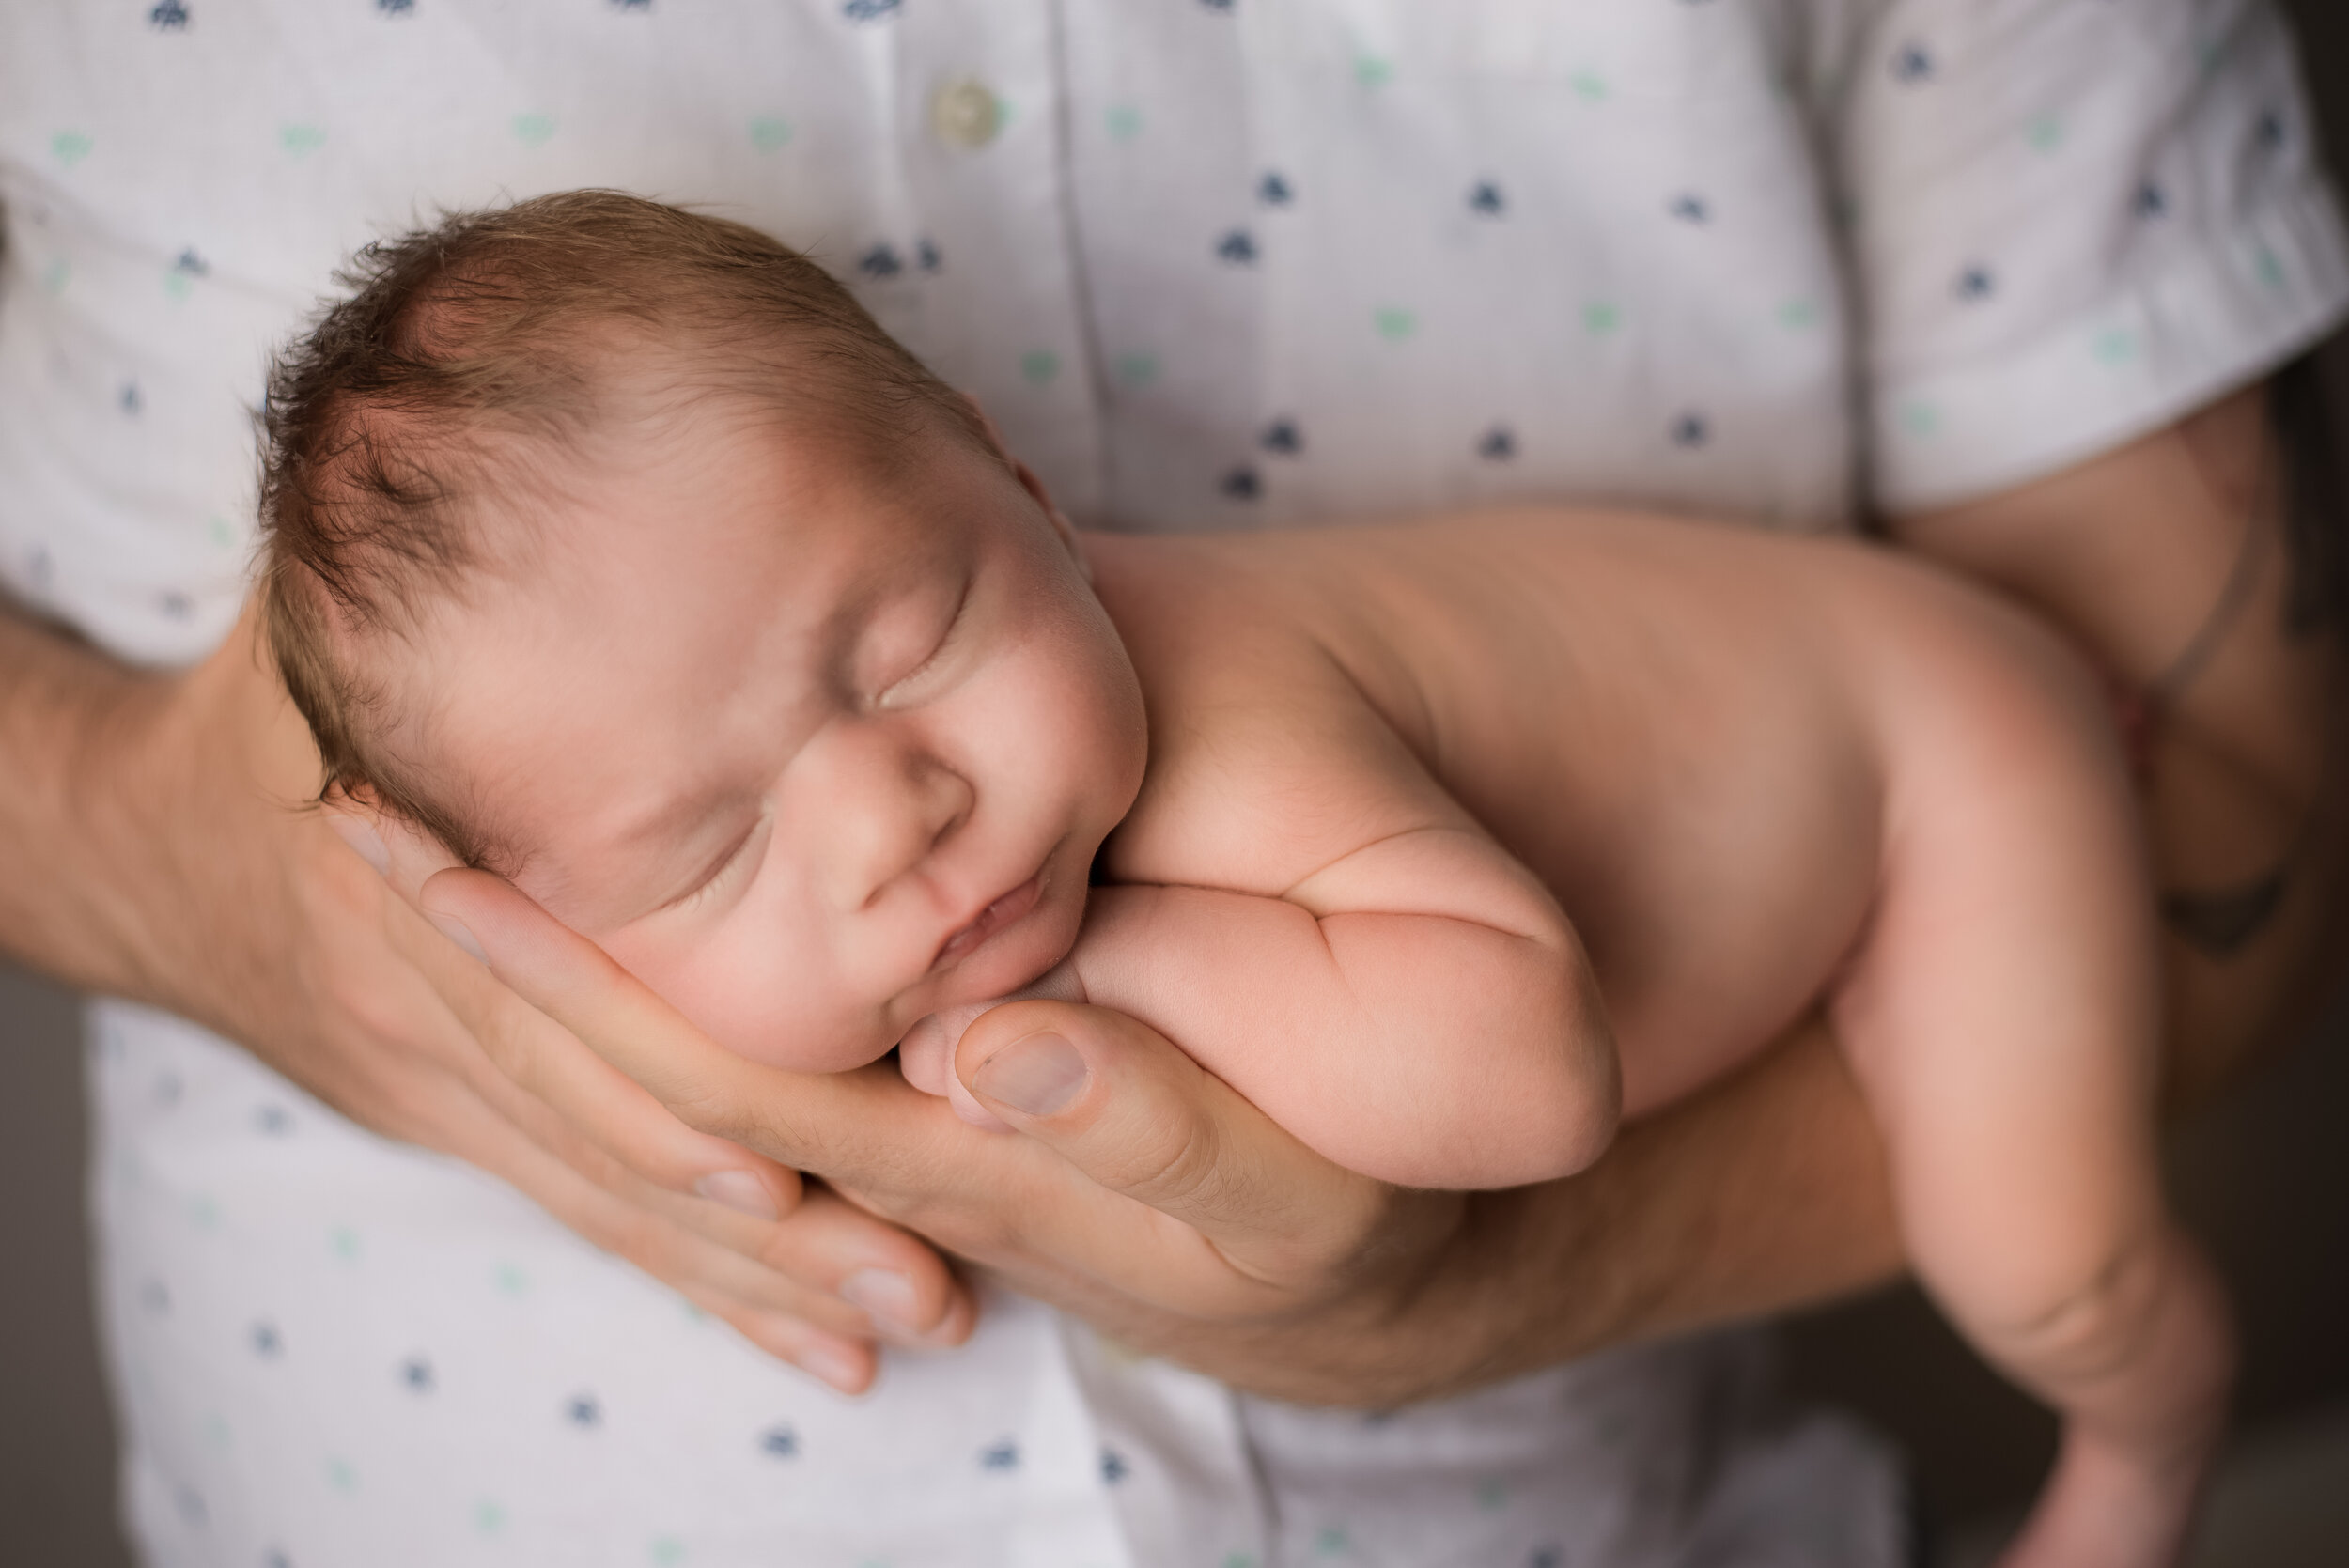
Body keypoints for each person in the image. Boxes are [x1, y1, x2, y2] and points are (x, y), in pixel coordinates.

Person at [0, 3, 2340, 1564]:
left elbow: (1518, 1072)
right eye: (708, 845)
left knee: (2046, 1247)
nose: (889, 813)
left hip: (1962, 767)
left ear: (1018, 480)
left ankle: (2131, 1439)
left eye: (910, 640)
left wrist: (1106, 971)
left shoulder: (1223, 709)